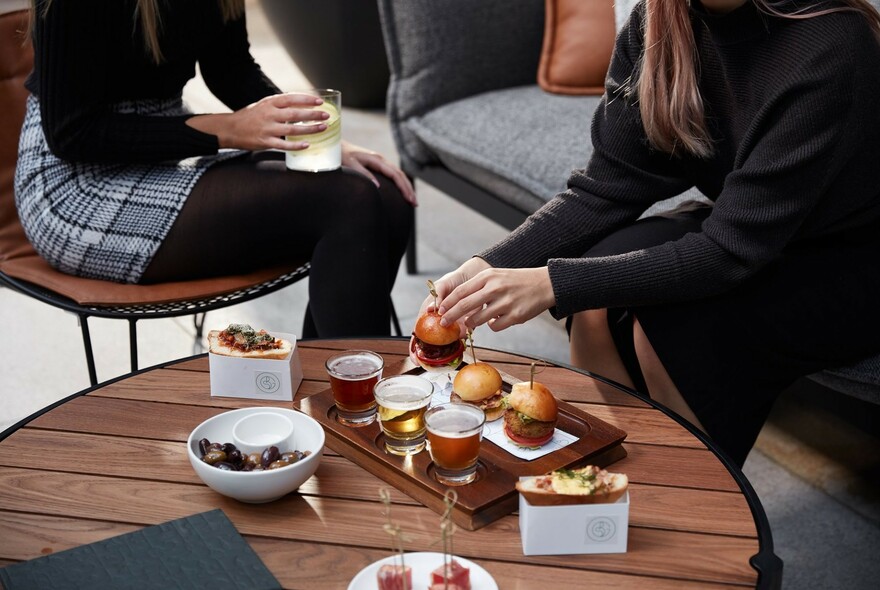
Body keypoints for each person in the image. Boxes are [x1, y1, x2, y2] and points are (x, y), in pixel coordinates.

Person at [424, 0, 880, 466]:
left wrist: (550, 283)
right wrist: (487, 264)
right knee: (597, 297)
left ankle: (698, 490)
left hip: (850, 257)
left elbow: (728, 255)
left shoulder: (831, 44)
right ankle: (625, 465)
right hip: (754, 223)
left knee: (670, 325)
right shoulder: (660, 21)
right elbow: (604, 189)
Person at [16, 0, 415, 338]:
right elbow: (72, 133)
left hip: (165, 150)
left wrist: (318, 138)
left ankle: (332, 394)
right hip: (73, 184)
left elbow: (231, 68)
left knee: (384, 193)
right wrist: (226, 130)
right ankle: (351, 409)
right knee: (348, 201)